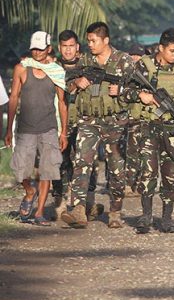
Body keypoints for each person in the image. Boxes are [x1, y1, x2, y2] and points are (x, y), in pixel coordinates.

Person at [61, 22, 133, 229]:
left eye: (94, 41)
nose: (90, 44)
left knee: (116, 169)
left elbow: (136, 89)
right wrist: (77, 83)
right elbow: (68, 85)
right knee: (81, 163)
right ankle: (78, 211)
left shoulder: (123, 61)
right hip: (88, 121)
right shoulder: (84, 60)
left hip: (115, 121)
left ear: (106, 40)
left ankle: (115, 211)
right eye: (88, 40)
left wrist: (120, 91)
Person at [125, 28, 174, 234]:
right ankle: (146, 216)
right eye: (172, 51)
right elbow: (125, 91)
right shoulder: (144, 66)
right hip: (148, 127)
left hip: (172, 128)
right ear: (161, 48)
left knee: (169, 174)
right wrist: (141, 95)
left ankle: (166, 218)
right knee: (148, 173)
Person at [4, 31, 68, 225]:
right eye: (34, 49)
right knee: (21, 170)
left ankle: (39, 212)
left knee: (48, 170)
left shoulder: (56, 71)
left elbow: (62, 103)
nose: (37, 52)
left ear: (49, 48)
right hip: (25, 128)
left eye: (41, 49)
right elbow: (14, 98)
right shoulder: (22, 69)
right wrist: (9, 130)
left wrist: (63, 131)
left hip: (48, 128)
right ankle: (30, 191)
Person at [52, 30, 103, 221]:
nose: (68, 50)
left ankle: (86, 203)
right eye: (64, 46)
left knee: (88, 162)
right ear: (59, 48)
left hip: (86, 121)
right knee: (60, 162)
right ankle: (60, 203)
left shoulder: (88, 65)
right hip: (60, 123)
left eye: (71, 46)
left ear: (77, 47)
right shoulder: (54, 68)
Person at [124, 44, 147, 194]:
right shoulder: (126, 72)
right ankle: (128, 183)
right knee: (130, 152)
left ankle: (139, 183)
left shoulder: (149, 73)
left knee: (144, 152)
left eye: (138, 56)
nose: (136, 59)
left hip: (144, 118)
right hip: (129, 118)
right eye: (133, 56)